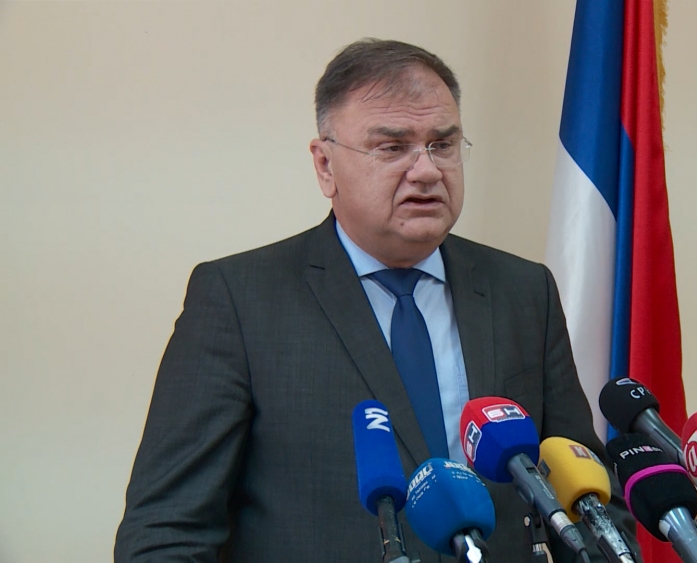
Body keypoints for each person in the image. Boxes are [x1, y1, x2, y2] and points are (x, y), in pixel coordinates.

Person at [115, 38, 639, 562]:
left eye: (442, 144)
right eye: (392, 148)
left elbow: (587, 501)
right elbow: (167, 530)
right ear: (325, 165)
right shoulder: (240, 299)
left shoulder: (523, 291)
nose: (427, 170)